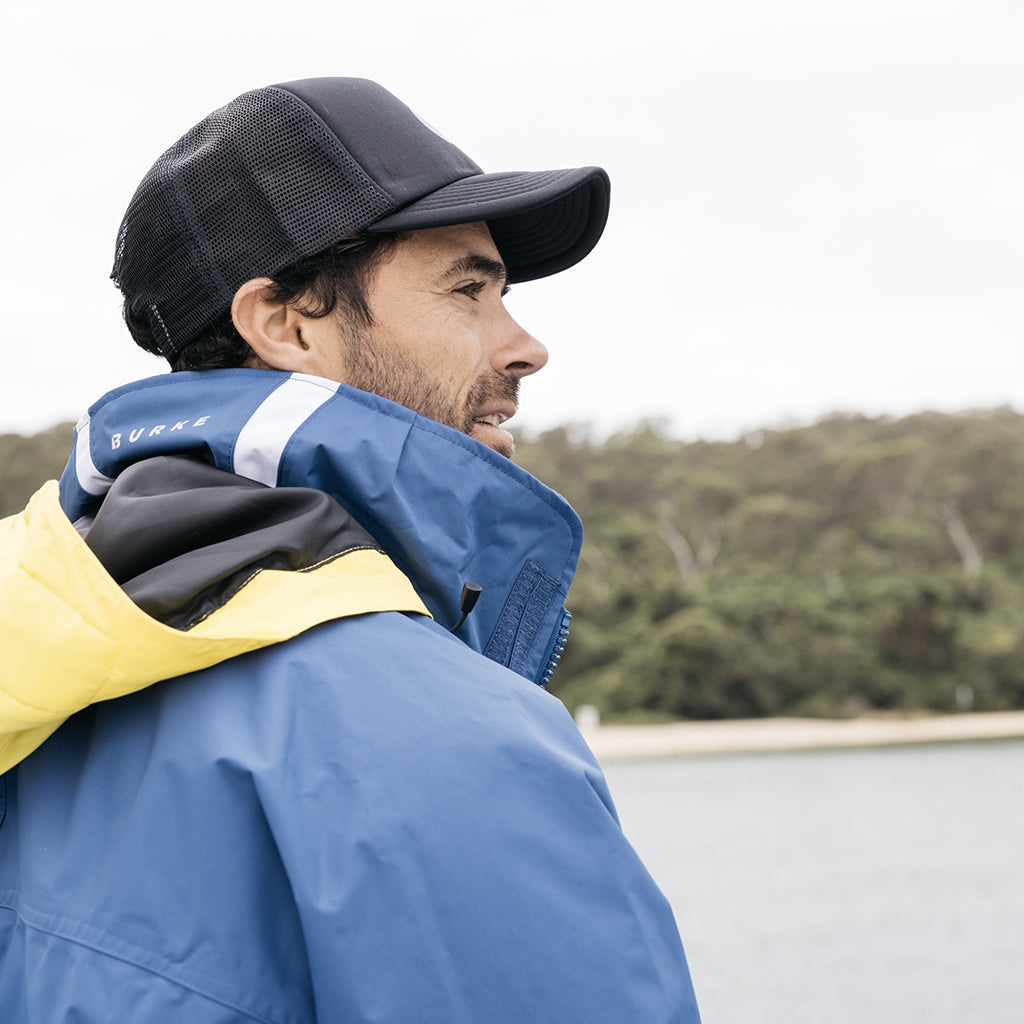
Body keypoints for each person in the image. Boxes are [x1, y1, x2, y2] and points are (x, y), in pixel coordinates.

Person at [0, 78, 701, 1022]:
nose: (525, 345)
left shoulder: (34, 660)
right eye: (469, 290)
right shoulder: (440, 733)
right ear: (285, 325)